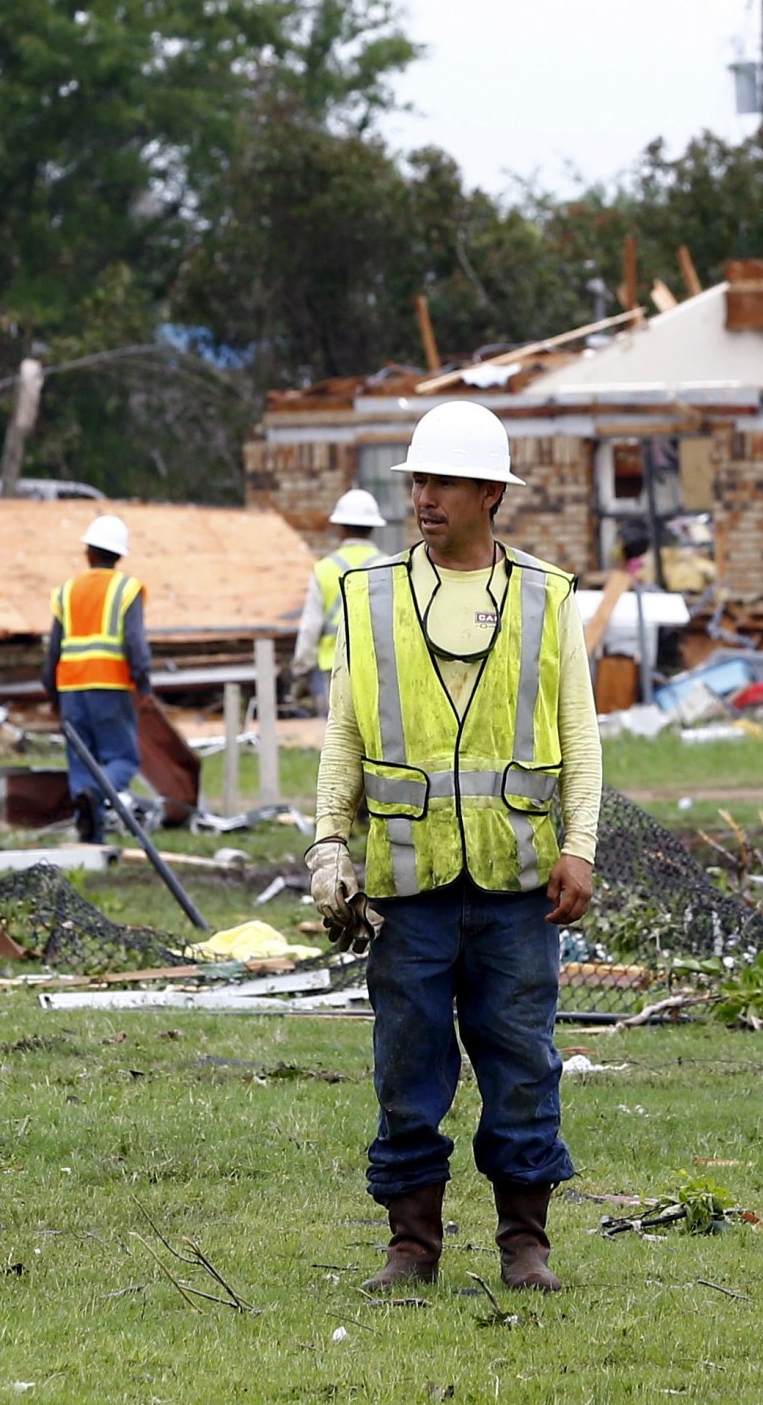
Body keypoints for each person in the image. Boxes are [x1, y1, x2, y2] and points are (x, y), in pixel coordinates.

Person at [305, 399, 602, 1295]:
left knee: (522, 1059)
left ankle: (525, 1244)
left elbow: (579, 736)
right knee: (408, 1060)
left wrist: (580, 845)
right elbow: (345, 731)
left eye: (441, 482)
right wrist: (328, 840)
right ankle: (412, 1247)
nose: (424, 497)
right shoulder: (371, 596)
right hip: (408, 883)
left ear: (489, 494)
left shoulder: (547, 597)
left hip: (517, 884)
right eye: (418, 481)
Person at [44, 514, 153, 844]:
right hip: (110, 687)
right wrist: (144, 683)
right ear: (119, 556)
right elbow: (135, 642)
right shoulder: (126, 589)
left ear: (88, 552)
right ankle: (95, 794)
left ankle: (89, 833)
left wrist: (51, 692)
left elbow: (53, 649)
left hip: (71, 690)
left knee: (81, 761)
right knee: (122, 758)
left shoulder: (67, 592)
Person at [292, 490, 388, 714]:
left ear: (340, 527)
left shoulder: (323, 569)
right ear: (373, 528)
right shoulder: (388, 567)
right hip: (378, 667)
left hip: (333, 668)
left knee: (338, 740)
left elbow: (309, 628)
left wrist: (301, 671)